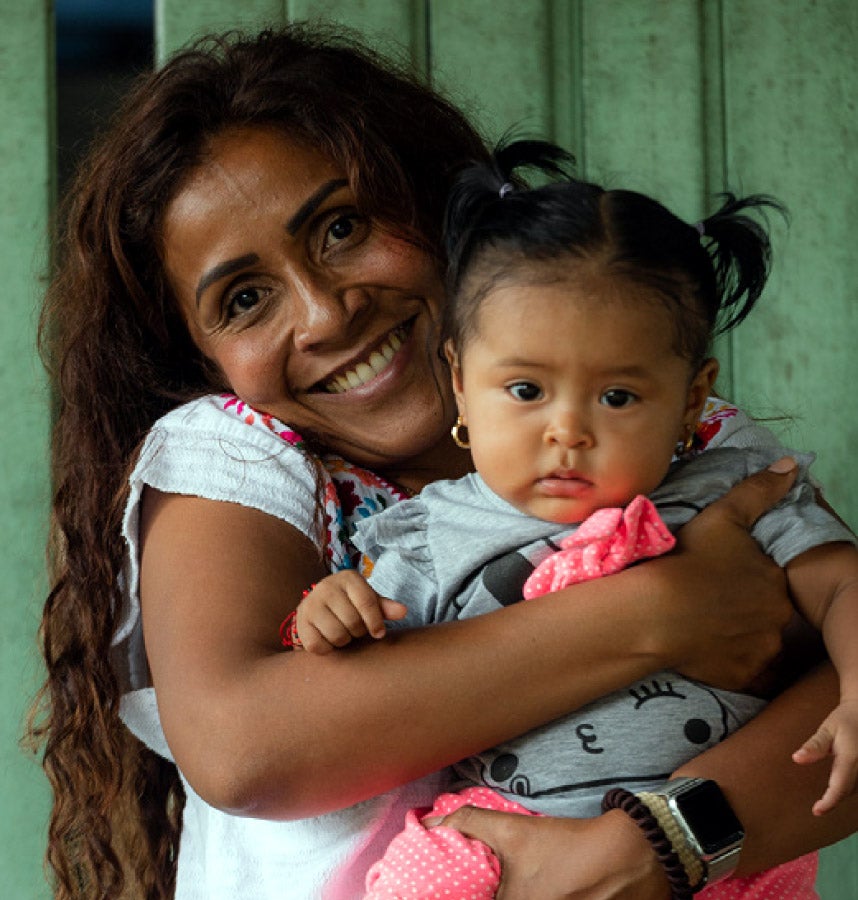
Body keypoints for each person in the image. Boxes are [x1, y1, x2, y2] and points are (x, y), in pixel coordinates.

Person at [29, 23, 858, 900]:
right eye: (244, 300)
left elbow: (835, 704)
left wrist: (643, 851)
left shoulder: (675, 438)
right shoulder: (240, 453)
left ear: (436, 203)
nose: (322, 314)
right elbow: (248, 751)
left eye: (342, 227)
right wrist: (662, 611)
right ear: (202, 360)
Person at [289, 140, 858, 898]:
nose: (568, 430)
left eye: (617, 397)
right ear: (461, 382)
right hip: (502, 838)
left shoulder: (735, 488)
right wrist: (328, 614)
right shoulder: (427, 534)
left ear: (691, 400)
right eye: (525, 390)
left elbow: (841, 585)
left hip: (720, 853)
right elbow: (368, 691)